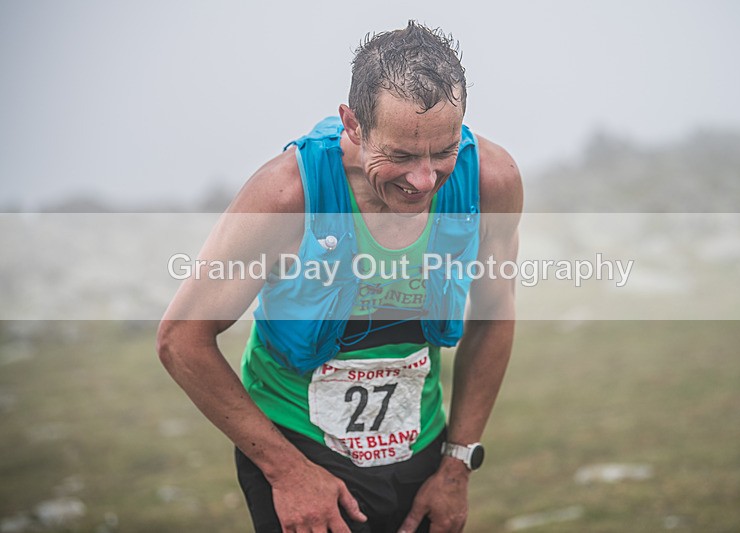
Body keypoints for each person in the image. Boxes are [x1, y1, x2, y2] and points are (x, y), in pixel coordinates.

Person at [158, 20, 522, 533]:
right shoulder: (287, 197)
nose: (424, 179)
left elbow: (494, 315)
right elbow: (181, 339)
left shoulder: (490, 182)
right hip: (302, 450)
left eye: (442, 150)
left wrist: (456, 464)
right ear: (352, 123)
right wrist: (285, 472)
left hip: (422, 449)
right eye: (399, 155)